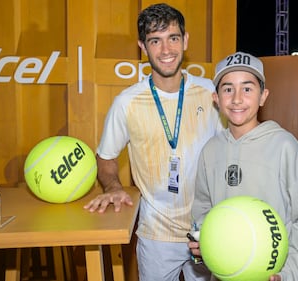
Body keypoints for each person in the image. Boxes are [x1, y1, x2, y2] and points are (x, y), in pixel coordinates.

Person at [83, 3, 223, 280]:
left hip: (210, 228)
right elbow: (106, 157)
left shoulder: (211, 93)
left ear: (185, 40)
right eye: (155, 41)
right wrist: (112, 186)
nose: (166, 50)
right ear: (142, 48)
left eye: (173, 38)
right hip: (156, 232)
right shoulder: (127, 102)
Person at [188, 51, 298, 281]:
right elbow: (203, 210)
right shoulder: (210, 151)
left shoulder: (284, 146)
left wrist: (291, 274)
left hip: (274, 274)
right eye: (227, 89)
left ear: (263, 96)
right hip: (225, 274)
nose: (237, 99)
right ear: (216, 98)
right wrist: (203, 244)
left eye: (247, 88)